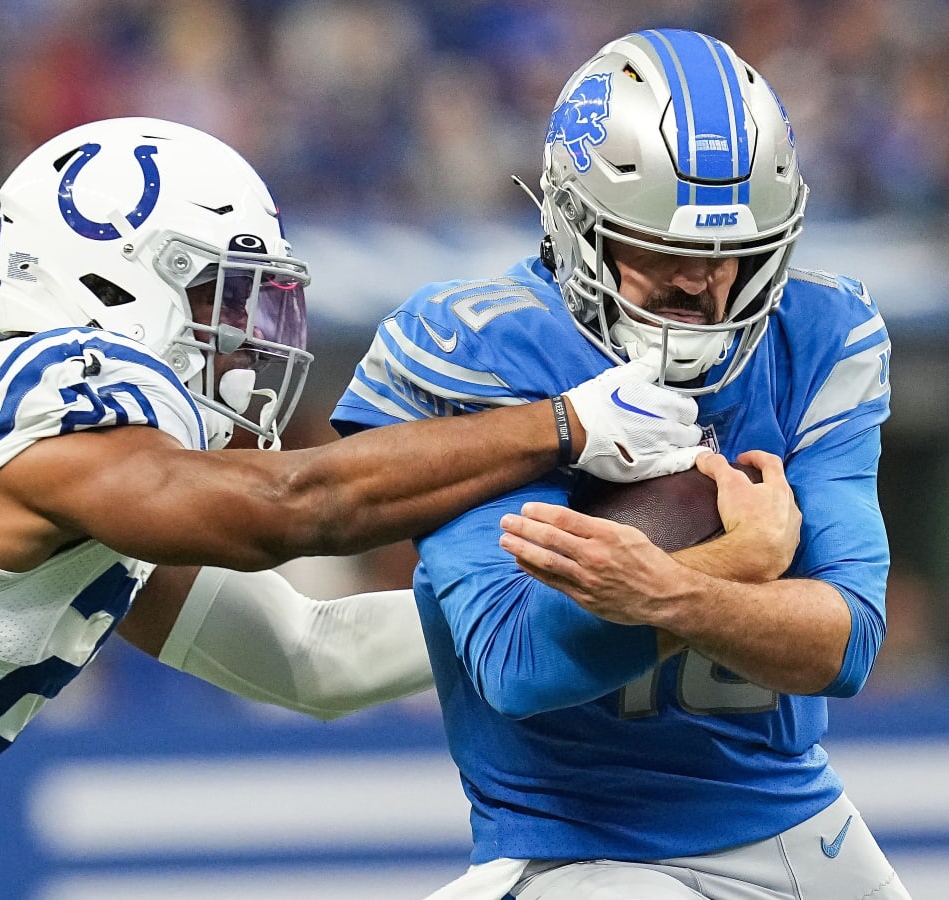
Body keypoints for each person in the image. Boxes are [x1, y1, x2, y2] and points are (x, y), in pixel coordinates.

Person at [0, 116, 710, 900]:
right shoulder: (67, 387)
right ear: (113, 278)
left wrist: (632, 589)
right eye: (220, 293)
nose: (247, 340)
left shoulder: (98, 488)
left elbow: (312, 660)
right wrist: (559, 427)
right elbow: (290, 509)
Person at [331, 28, 908, 900]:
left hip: (798, 817)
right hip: (574, 845)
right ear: (573, 227)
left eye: (733, 253)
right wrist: (723, 571)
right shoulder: (484, 346)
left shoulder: (818, 335)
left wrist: (671, 592)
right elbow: (521, 663)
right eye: (662, 248)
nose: (701, 283)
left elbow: (849, 639)